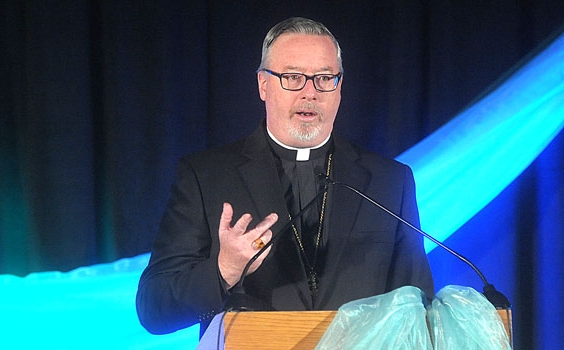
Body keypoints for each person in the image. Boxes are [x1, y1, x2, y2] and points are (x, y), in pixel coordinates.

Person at [136, 17, 434, 335]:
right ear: (263, 84)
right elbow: (154, 309)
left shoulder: (389, 181)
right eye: (293, 77)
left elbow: (419, 303)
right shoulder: (205, 176)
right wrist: (225, 270)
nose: (310, 93)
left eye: (324, 78)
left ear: (339, 87)